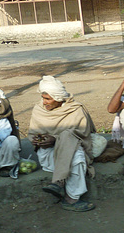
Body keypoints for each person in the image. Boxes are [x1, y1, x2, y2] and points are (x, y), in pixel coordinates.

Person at [29, 76, 96, 212]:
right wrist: (38, 141)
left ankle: (68, 195)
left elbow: (82, 134)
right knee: (68, 141)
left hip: (72, 151)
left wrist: (55, 138)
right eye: (43, 98)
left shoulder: (75, 109)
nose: (44, 102)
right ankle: (63, 189)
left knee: (71, 145)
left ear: (58, 99)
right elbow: (33, 133)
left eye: (48, 99)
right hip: (49, 156)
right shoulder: (38, 109)